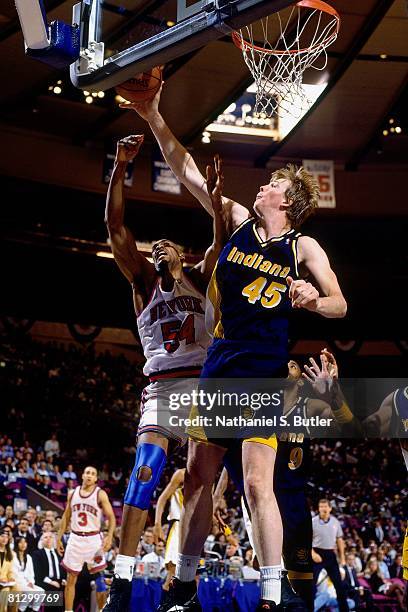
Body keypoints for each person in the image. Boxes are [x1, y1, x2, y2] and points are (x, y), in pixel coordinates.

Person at [123, 89, 346, 612]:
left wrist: (315, 300)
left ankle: (273, 594)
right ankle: (184, 586)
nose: (263, 184)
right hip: (219, 367)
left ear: (287, 200)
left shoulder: (303, 247)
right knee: (199, 479)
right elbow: (186, 172)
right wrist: (155, 113)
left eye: (273, 183)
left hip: (264, 374)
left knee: (253, 482)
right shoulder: (239, 221)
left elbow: (341, 303)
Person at [103, 135, 227, 611]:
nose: (156, 248)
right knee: (144, 472)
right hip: (159, 388)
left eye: (165, 245)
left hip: (202, 385)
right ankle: (121, 582)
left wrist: (214, 199)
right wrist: (120, 166)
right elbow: (115, 226)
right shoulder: (141, 284)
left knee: (199, 485)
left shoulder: (199, 276)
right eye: (153, 247)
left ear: (179, 252)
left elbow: (220, 241)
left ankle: (185, 586)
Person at [57, 466, 116, 612]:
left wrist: (109, 536)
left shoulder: (100, 494)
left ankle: (102, 610)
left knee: (99, 579)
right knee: (70, 579)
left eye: (93, 474)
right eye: (87, 473)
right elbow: (66, 516)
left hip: (93, 539)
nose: (89, 476)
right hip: (75, 538)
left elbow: (112, 518)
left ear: (96, 479)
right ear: (82, 475)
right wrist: (58, 537)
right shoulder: (72, 493)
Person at [311, 499, 348, 612]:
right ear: (318, 508)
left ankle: (344, 609)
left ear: (330, 508)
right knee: (311, 586)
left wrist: (342, 558)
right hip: (316, 553)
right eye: (321, 506)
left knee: (339, 585)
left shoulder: (335, 522)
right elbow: (305, 539)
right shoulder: (313, 521)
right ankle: (309, 609)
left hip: (330, 554)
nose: (323, 509)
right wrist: (312, 553)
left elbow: (339, 540)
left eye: (325, 506)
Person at [154, 468, 185, 591]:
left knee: (194, 575)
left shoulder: (208, 477)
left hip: (195, 529)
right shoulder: (181, 474)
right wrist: (157, 523)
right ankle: (165, 605)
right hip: (177, 525)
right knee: (172, 571)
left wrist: (227, 532)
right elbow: (162, 499)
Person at [12, 537, 45, 611]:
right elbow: (14, 574)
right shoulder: (13, 556)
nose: (23, 544)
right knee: (30, 592)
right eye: (21, 542)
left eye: (25, 542)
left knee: (41, 591)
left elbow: (31, 573)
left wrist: (31, 582)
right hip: (17, 582)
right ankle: (20, 609)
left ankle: (34, 610)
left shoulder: (28, 557)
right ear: (17, 544)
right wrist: (26, 584)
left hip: (27, 582)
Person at [0, 528, 17, 612]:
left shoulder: (10, 553)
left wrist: (11, 577)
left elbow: (10, 571)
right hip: (1, 581)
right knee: (5, 591)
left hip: (5, 581)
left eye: (6, 537)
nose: (4, 539)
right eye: (2, 536)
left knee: (17, 589)